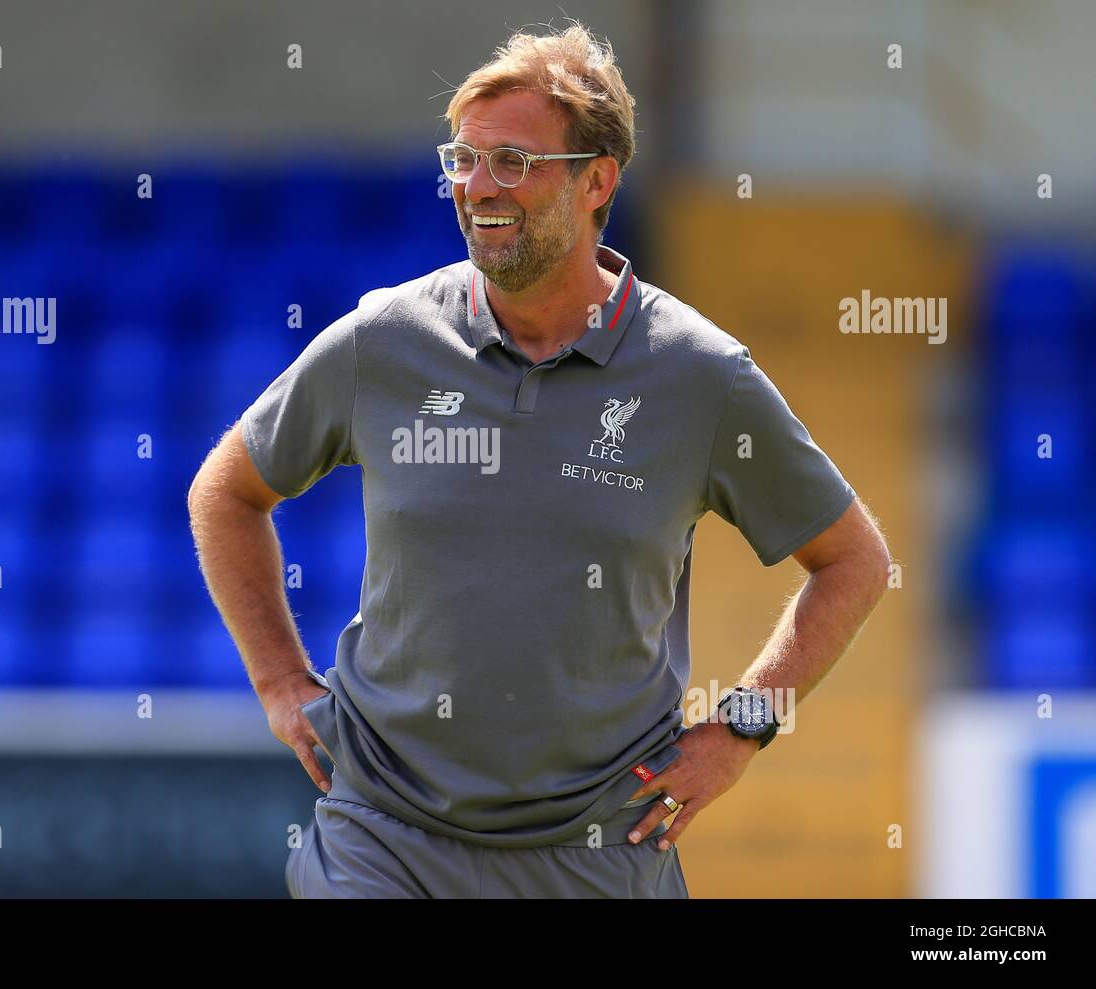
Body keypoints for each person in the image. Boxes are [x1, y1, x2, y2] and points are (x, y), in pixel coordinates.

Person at [188, 21, 891, 898]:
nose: (478, 187)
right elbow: (227, 492)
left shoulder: (700, 375)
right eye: (462, 159)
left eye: (513, 162)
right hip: (383, 833)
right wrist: (280, 681)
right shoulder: (384, 341)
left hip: (599, 849)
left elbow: (855, 561)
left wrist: (741, 726)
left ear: (597, 181)